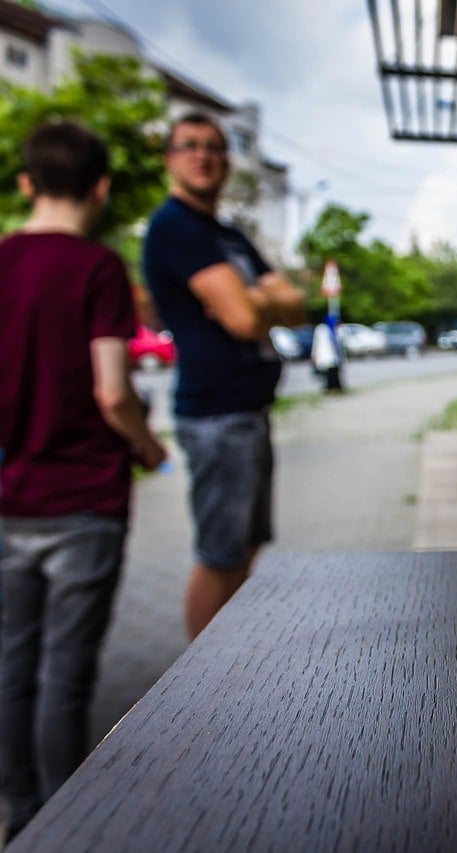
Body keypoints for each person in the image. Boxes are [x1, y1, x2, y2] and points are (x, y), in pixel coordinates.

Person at [0, 120, 168, 839]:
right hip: (84, 501)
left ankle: (20, 811)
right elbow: (111, 389)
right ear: (101, 187)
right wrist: (149, 446)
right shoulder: (98, 269)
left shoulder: (3, 260)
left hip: (10, 500)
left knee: (12, 661)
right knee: (66, 675)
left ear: (26, 184)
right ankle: (64, 824)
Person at [142, 112, 306, 641]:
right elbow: (241, 319)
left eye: (213, 146)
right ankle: (200, 692)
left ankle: (225, 665)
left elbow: (296, 305)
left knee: (243, 550)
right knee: (219, 556)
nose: (203, 155)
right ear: (171, 158)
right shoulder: (176, 228)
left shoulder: (227, 234)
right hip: (217, 416)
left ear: (227, 161)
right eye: (189, 145)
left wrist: (254, 299)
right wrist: (256, 300)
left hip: (247, 414)